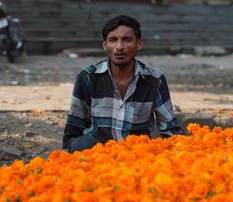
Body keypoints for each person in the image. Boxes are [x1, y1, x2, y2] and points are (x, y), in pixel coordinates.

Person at [63, 15, 184, 152]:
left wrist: (183, 153)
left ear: (139, 43)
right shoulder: (87, 77)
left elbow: (169, 128)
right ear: (105, 45)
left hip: (137, 154)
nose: (119, 47)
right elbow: (73, 128)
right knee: (81, 144)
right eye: (113, 40)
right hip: (97, 154)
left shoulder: (155, 79)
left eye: (126, 40)